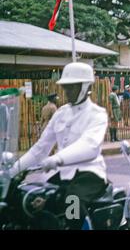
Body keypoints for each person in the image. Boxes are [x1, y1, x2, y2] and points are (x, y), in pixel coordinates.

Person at [10, 62, 108, 229]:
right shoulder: (60, 113)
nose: (67, 91)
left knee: (73, 201)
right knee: (27, 197)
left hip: (89, 174)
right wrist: (12, 171)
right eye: (65, 87)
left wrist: (58, 158)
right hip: (62, 174)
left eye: (72, 87)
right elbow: (40, 149)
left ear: (84, 87)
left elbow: (89, 146)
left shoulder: (97, 114)